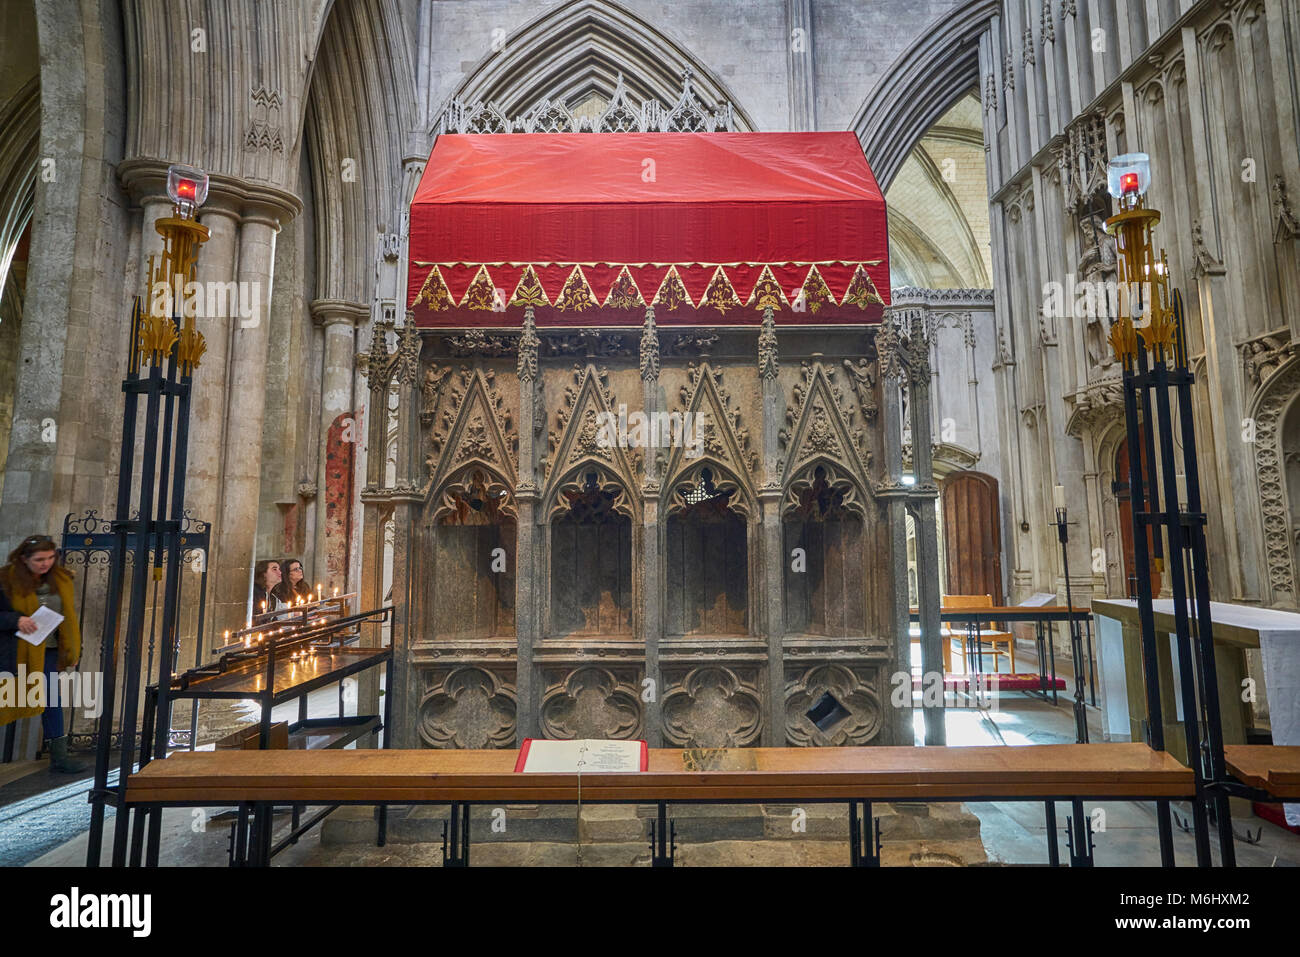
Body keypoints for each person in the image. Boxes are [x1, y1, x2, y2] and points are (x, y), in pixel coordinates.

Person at [0, 535, 86, 773]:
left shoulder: (61, 579)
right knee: (6, 699)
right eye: (39, 559)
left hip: (47, 651)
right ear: (24, 559)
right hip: (14, 651)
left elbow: (67, 618)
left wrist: (71, 649)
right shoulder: (5, 580)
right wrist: (15, 619)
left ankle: (59, 757)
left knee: (51, 700)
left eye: (50, 558)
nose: (45, 563)